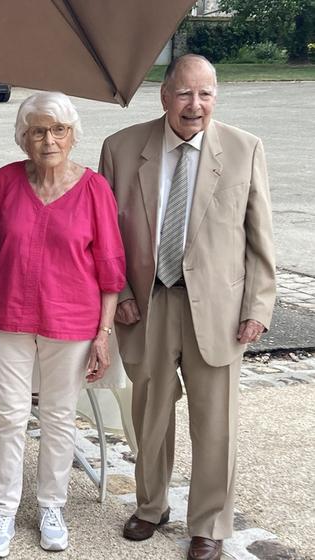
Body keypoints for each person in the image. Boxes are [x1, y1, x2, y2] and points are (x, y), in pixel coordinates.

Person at [99, 54, 276, 560]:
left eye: (205, 94)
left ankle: (209, 524)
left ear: (215, 97)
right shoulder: (122, 148)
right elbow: (105, 236)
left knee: (214, 422)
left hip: (218, 311)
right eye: (183, 94)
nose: (194, 106)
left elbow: (260, 238)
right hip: (147, 305)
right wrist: (121, 296)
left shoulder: (244, 150)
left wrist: (258, 304)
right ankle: (150, 506)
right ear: (164, 95)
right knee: (149, 415)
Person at [0, 91, 126, 557]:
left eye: (58, 129)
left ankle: (52, 506)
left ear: (73, 135)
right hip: (8, 317)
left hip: (72, 321)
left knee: (58, 419)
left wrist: (104, 335)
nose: (48, 139)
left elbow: (111, 271)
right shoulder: (5, 182)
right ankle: (4, 510)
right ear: (24, 137)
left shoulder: (94, 188)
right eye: (37, 130)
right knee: (8, 418)